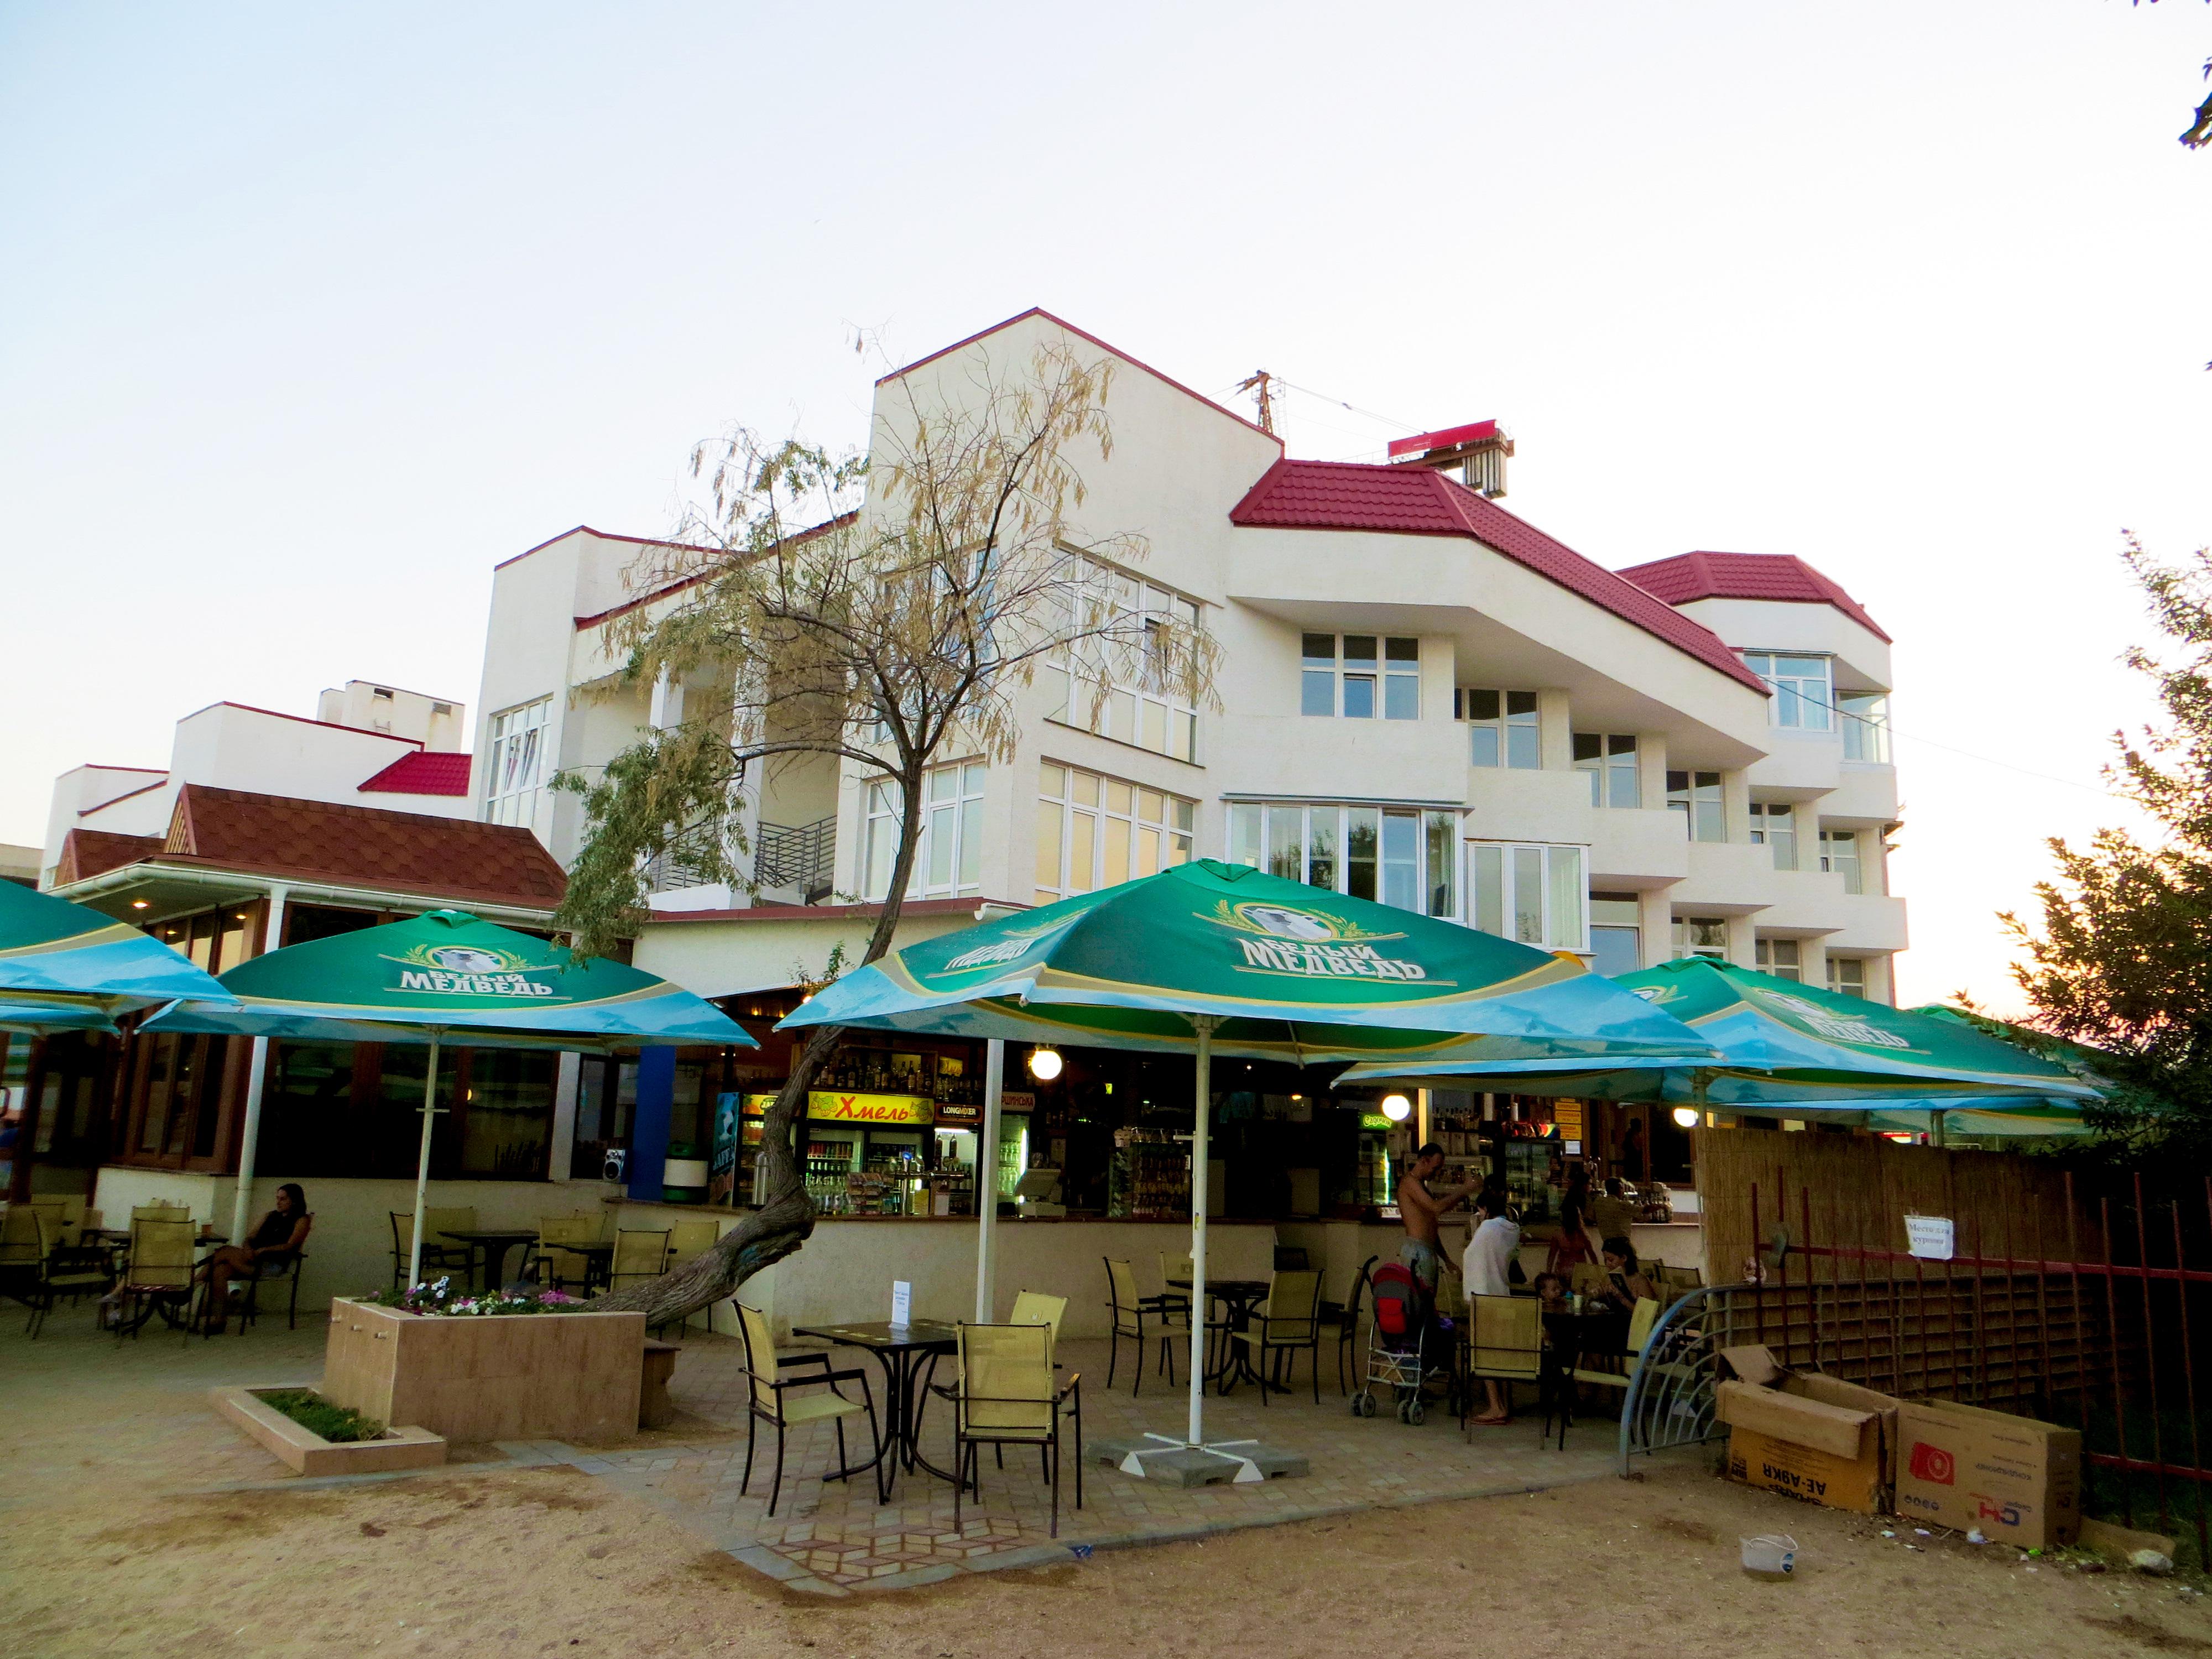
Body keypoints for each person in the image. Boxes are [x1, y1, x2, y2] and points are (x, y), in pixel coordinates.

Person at [196, 1183, 311, 1333]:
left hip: (272, 1264)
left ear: (294, 1201)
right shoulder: (270, 1216)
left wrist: (264, 1250)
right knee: (220, 1271)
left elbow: (290, 1246)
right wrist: (248, 1248)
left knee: (224, 1251)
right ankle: (220, 1320)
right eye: (277, 1198)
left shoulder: (301, 1220)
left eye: (283, 1199)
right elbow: (250, 1237)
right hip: (252, 1259)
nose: (278, 1202)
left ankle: (193, 1284)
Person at [1396, 1142, 1476, 1303]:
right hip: (1417, 1251)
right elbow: (1436, 1208)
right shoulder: (1409, 1182)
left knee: (1428, 1301)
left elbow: (1430, 1228)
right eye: (1435, 1168)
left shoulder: (1421, 1187)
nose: (1437, 1173)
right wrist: (1464, 1190)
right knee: (1421, 1302)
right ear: (1424, 1160)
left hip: (1427, 1250)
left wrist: (1447, 1260)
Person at [1547, 1164, 1599, 1276]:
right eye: (1590, 1184)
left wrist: (1548, 1274)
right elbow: (1592, 1255)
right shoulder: (1583, 1235)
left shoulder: (1559, 1235)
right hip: (1579, 1273)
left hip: (1563, 1271)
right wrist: (1599, 1273)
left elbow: (1552, 1256)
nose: (1591, 1187)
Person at [1591, 1237, 1660, 1312]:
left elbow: (1647, 1313)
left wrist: (1623, 1299)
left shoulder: (1640, 1281)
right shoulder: (1609, 1278)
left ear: (1624, 1258)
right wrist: (1599, 1294)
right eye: (1605, 1260)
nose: (1607, 1264)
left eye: (1611, 1260)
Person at [1591, 1176, 1637, 1243]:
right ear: (1618, 1189)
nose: (1623, 1191)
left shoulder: (1598, 1202)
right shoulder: (1622, 1205)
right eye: (1622, 1188)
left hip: (1607, 1243)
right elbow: (1642, 1211)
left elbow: (1591, 1217)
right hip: (1622, 1242)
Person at [1620, 1117, 1650, 1184]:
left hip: (1636, 1160)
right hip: (1633, 1161)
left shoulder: (1637, 1135)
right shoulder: (1630, 1136)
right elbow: (1636, 1148)